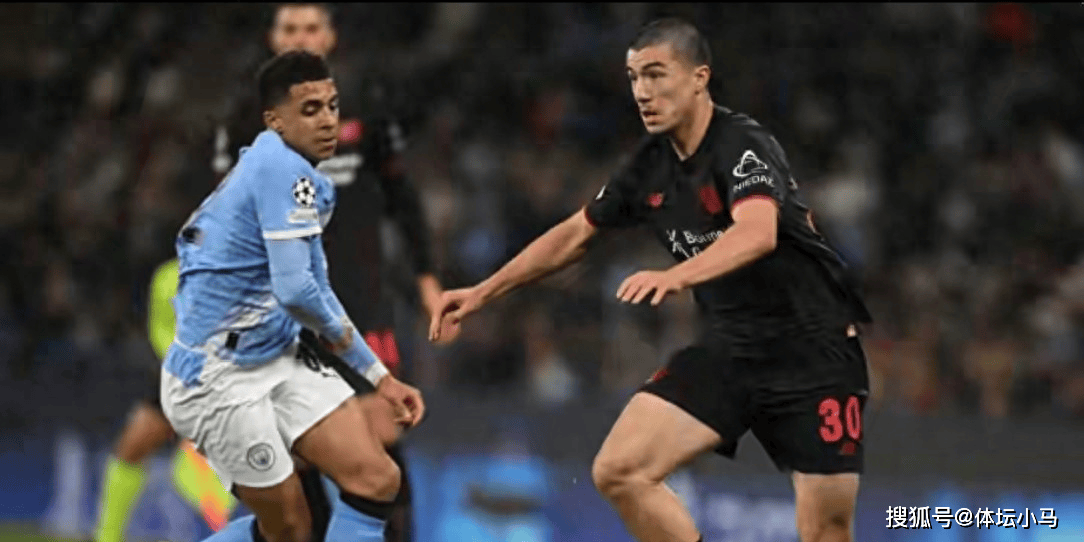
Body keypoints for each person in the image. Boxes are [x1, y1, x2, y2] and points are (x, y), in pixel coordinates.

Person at [430, 18, 873, 542]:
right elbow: (575, 234)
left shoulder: (741, 144)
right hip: (732, 349)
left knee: (825, 530)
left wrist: (676, 275)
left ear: (699, 77)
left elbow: (757, 233)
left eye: (656, 74)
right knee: (619, 471)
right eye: (634, 77)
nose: (642, 91)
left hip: (813, 352)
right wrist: (483, 291)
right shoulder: (648, 166)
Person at [162, 50, 425, 542]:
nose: (327, 120)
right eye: (310, 109)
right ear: (274, 120)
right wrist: (376, 373)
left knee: (377, 478)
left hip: (276, 356)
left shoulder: (307, 181)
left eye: (332, 106)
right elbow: (295, 290)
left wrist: (380, 379)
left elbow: (315, 286)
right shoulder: (279, 172)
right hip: (218, 376)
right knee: (290, 528)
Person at [210, 6, 447, 539]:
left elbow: (402, 198)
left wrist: (428, 281)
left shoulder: (367, 108)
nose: (301, 38)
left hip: (360, 299)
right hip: (280, 310)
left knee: (381, 436)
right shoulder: (243, 118)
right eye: (290, 28)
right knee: (300, 453)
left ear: (331, 36)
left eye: (311, 28)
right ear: (273, 36)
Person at [90, 257, 238, 542]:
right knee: (131, 448)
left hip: (227, 380)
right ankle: (107, 537)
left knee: (228, 484)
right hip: (177, 375)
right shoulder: (168, 277)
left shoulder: (239, 275)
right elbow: (160, 328)